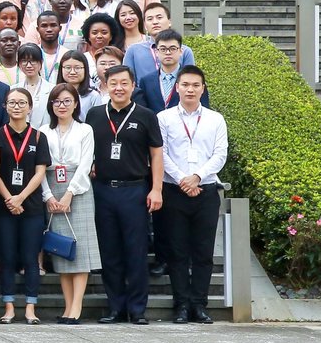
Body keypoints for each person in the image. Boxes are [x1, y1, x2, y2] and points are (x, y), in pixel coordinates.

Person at [86, 65, 164, 325]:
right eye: (113, 83)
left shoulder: (145, 116)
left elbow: (156, 154)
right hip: (103, 190)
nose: (118, 88)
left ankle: (137, 309)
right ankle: (115, 307)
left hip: (135, 190)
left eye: (124, 83)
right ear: (106, 86)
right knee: (109, 251)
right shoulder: (95, 115)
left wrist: (156, 188)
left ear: (133, 86)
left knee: (136, 251)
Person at [157, 65, 228, 324]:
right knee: (177, 251)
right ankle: (181, 305)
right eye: (185, 85)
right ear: (177, 87)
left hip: (205, 191)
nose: (190, 89)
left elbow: (220, 154)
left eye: (195, 85)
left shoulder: (215, 119)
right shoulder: (164, 118)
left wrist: (197, 176)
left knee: (203, 252)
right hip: (174, 190)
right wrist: (182, 179)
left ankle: (199, 304)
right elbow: (161, 153)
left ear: (203, 88)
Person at [0, 88, 52, 325]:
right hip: (3, 206)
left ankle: (30, 307)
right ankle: (8, 307)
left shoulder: (38, 137)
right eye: (12, 103)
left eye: (22, 103)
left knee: (30, 258)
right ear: (5, 106)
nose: (17, 107)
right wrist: (10, 198)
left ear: (30, 107)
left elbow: (40, 172)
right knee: (7, 257)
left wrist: (20, 198)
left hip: (32, 206)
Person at [41, 83, 99, 324]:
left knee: (80, 249)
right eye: (57, 101)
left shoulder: (85, 130)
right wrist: (48, 196)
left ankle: (76, 307)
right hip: (51, 188)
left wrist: (69, 194)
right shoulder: (43, 131)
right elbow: (39, 167)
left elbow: (85, 164)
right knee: (60, 250)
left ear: (76, 104)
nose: (61, 106)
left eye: (67, 101)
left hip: (79, 189)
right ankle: (67, 307)